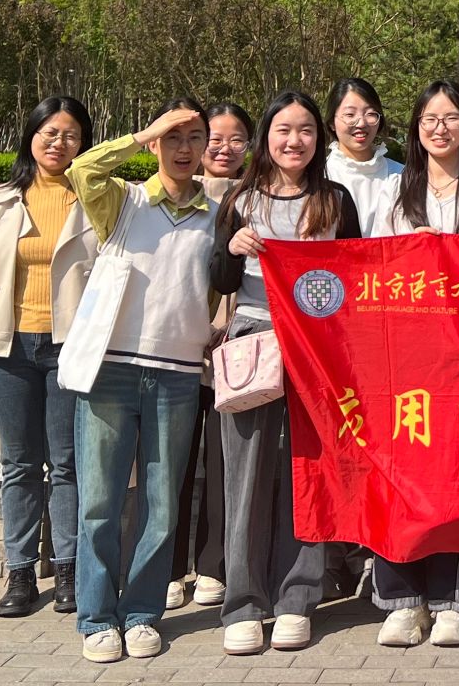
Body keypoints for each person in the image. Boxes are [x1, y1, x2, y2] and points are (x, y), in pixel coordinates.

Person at [64, 101, 221, 664]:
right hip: (110, 369)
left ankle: (142, 613)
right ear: (155, 142)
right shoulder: (124, 201)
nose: (184, 147)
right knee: (99, 503)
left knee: (161, 504)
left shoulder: (218, 213)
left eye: (194, 136)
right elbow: (82, 170)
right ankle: (97, 618)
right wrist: (141, 134)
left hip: (177, 375)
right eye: (172, 136)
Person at [210, 91, 361, 657]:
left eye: (305, 130)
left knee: (309, 473)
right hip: (253, 344)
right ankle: (244, 604)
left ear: (319, 139)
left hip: (317, 353)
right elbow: (220, 280)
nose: (294, 140)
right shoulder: (241, 199)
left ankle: (298, 598)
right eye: (283, 129)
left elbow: (354, 280)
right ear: (266, 138)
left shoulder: (335, 200)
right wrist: (232, 247)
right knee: (246, 477)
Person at [371, 81, 459, 646]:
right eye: (430, 118)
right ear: (416, 127)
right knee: (401, 477)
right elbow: (373, 270)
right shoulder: (393, 190)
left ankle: (455, 602)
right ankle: (402, 601)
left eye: (451, 118)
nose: (440, 128)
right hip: (406, 358)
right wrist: (414, 254)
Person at [0, 95, 98, 620]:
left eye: (70, 134)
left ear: (83, 143)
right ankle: (20, 572)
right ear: (32, 136)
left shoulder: (95, 201)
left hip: (70, 347)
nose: (58, 143)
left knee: (67, 464)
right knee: (19, 463)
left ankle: (67, 568)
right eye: (50, 132)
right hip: (9, 348)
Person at [167, 101, 252, 613]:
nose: (223, 148)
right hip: (181, 349)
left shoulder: (258, 197)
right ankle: (170, 567)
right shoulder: (182, 196)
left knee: (224, 462)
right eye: (212, 138)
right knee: (173, 462)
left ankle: (214, 565)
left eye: (235, 138)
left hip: (236, 351)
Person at [325, 76, 401, 236]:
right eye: (350, 114)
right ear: (332, 122)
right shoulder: (317, 177)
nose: (361, 123)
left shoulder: (401, 176)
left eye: (370, 113)